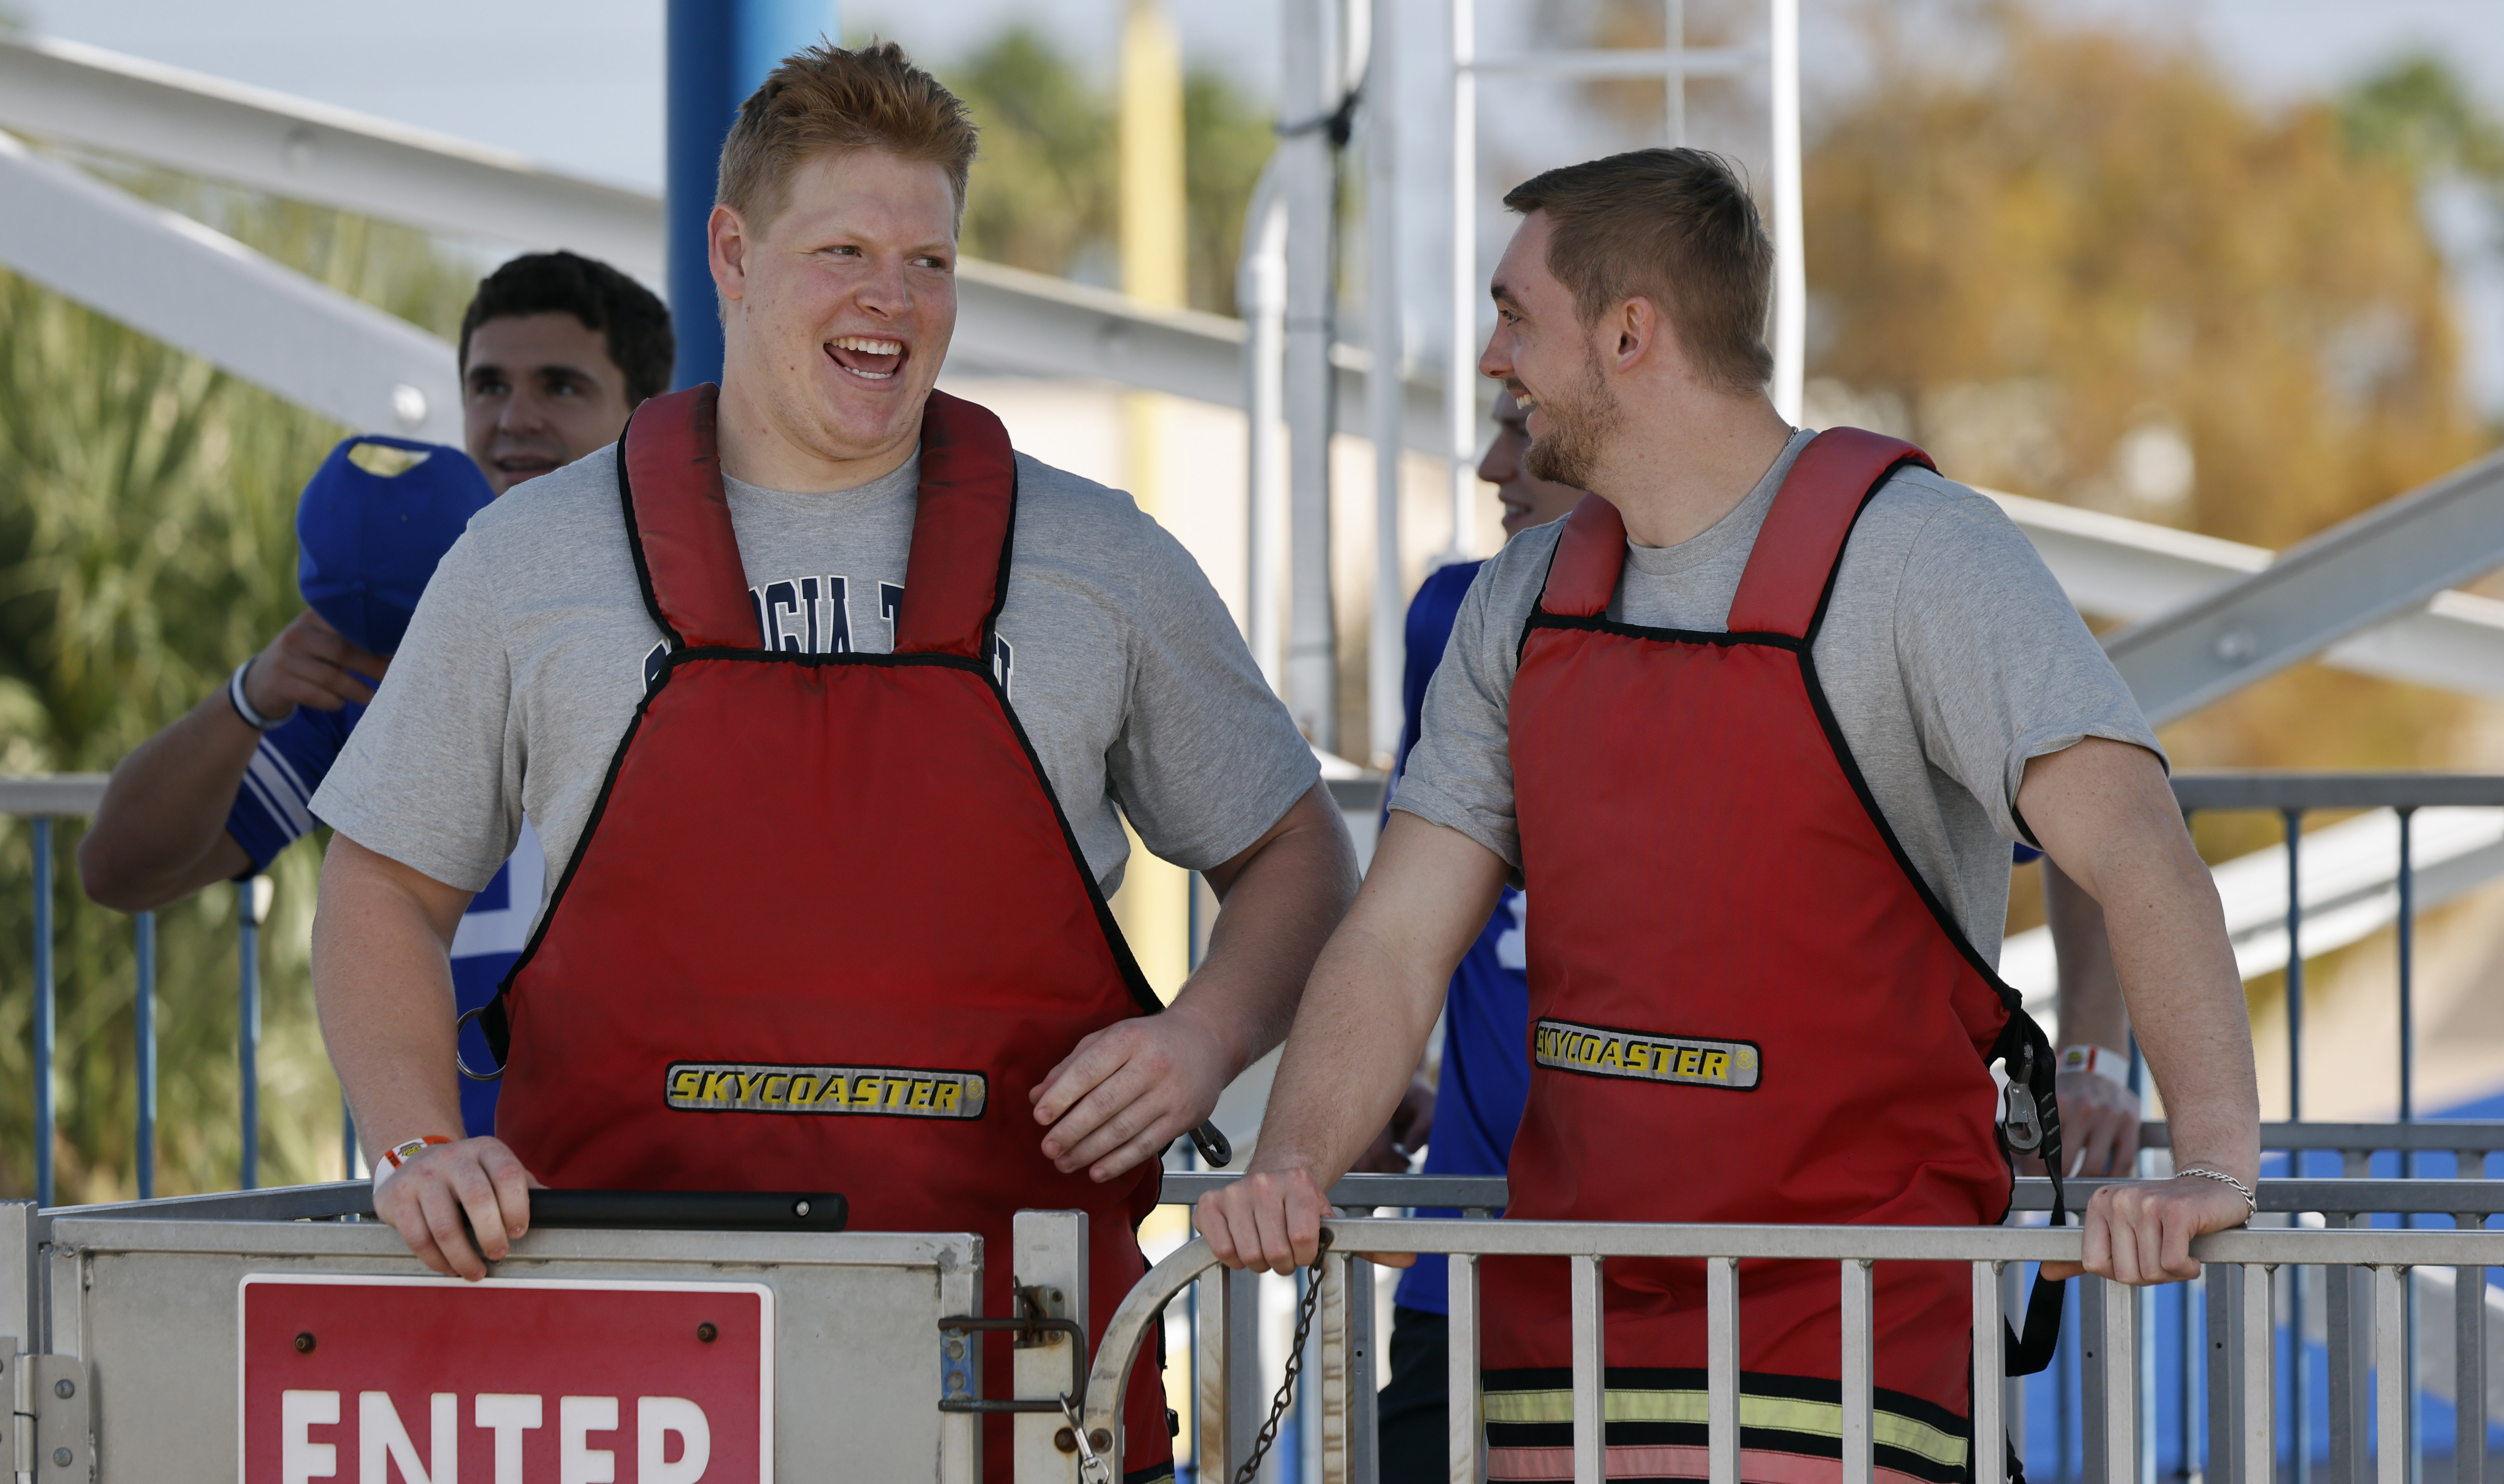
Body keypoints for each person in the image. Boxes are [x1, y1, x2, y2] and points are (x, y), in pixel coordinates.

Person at [306, 41, 1357, 1484]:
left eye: (930, 260)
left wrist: (1205, 1035)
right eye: (845, 251)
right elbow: (379, 884)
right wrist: (418, 1141)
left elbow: (1297, 850)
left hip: (1026, 1381)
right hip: (624, 1385)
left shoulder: (1098, 557)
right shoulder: (529, 557)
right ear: (733, 255)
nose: (892, 299)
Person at [1199, 147, 2259, 1481]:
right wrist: (1293, 1161)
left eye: (1516, 313)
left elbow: (2141, 851)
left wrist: (2213, 1162)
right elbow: (1399, 937)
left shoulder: (1922, 558)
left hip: (1848, 1341)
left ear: (1629, 332)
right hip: (1563, 1342)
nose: (1491, 357)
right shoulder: (1518, 602)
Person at [1367, 392, 2150, 1481]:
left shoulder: (1870, 579)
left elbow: (2103, 816)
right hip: (1490, 1265)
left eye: (1521, 419)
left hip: (1817, 1299)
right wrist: (1369, 1085)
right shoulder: (1467, 612)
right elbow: (1407, 910)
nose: (1496, 462)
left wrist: (2093, 1057)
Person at [76, 251, 672, 1139]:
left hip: (661, 1166)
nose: (515, 418)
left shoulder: (708, 625)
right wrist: (250, 697)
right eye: (489, 386)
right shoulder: (390, 644)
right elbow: (120, 871)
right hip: (449, 1185)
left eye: (560, 386)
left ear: (647, 413)